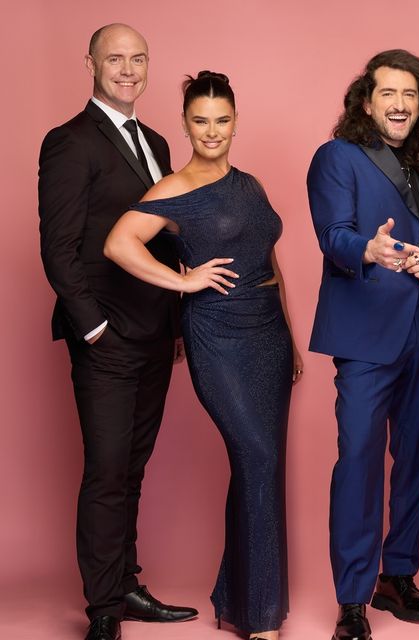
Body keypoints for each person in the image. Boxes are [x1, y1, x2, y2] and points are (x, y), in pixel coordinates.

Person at [104, 71, 301, 640]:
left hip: (268, 336)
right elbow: (118, 243)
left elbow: (269, 260)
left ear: (235, 121)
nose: (211, 131)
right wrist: (182, 283)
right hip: (218, 336)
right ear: (185, 123)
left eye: (221, 120)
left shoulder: (252, 184)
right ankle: (263, 622)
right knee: (258, 460)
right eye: (199, 121)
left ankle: (242, 599)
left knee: (259, 469)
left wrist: (287, 332)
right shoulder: (173, 189)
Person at [38, 23, 198, 640]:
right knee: (106, 471)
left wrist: (177, 321)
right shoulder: (68, 142)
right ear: (91, 63)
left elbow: (168, 236)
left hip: (156, 331)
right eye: (115, 59)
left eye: (137, 59)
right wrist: (94, 327)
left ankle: (126, 583)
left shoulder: (156, 141)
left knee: (132, 467)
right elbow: (58, 251)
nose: (127, 69)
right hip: (106, 337)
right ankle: (103, 608)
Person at [306, 49, 419, 640]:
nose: (400, 105)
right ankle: (352, 600)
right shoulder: (337, 158)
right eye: (388, 94)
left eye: (411, 95)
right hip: (366, 337)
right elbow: (335, 235)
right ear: (367, 101)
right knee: (358, 462)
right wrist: (366, 250)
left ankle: (396, 576)